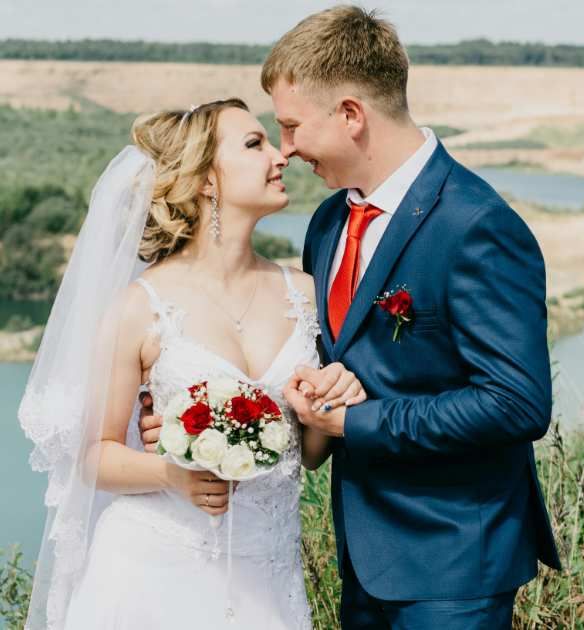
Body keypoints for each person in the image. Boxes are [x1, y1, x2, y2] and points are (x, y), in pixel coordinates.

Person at [137, 7, 560, 628]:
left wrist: (357, 421)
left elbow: (517, 403)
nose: (286, 150)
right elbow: (319, 379)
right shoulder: (329, 224)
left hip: (453, 564)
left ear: (351, 114)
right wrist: (187, 424)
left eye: (290, 126)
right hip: (361, 559)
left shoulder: (477, 225)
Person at [19, 98, 361, 628]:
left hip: (268, 573)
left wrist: (330, 402)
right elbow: (92, 455)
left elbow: (310, 455)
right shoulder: (141, 305)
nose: (280, 156)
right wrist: (171, 474)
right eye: (255, 145)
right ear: (206, 180)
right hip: (151, 572)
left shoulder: (306, 294)